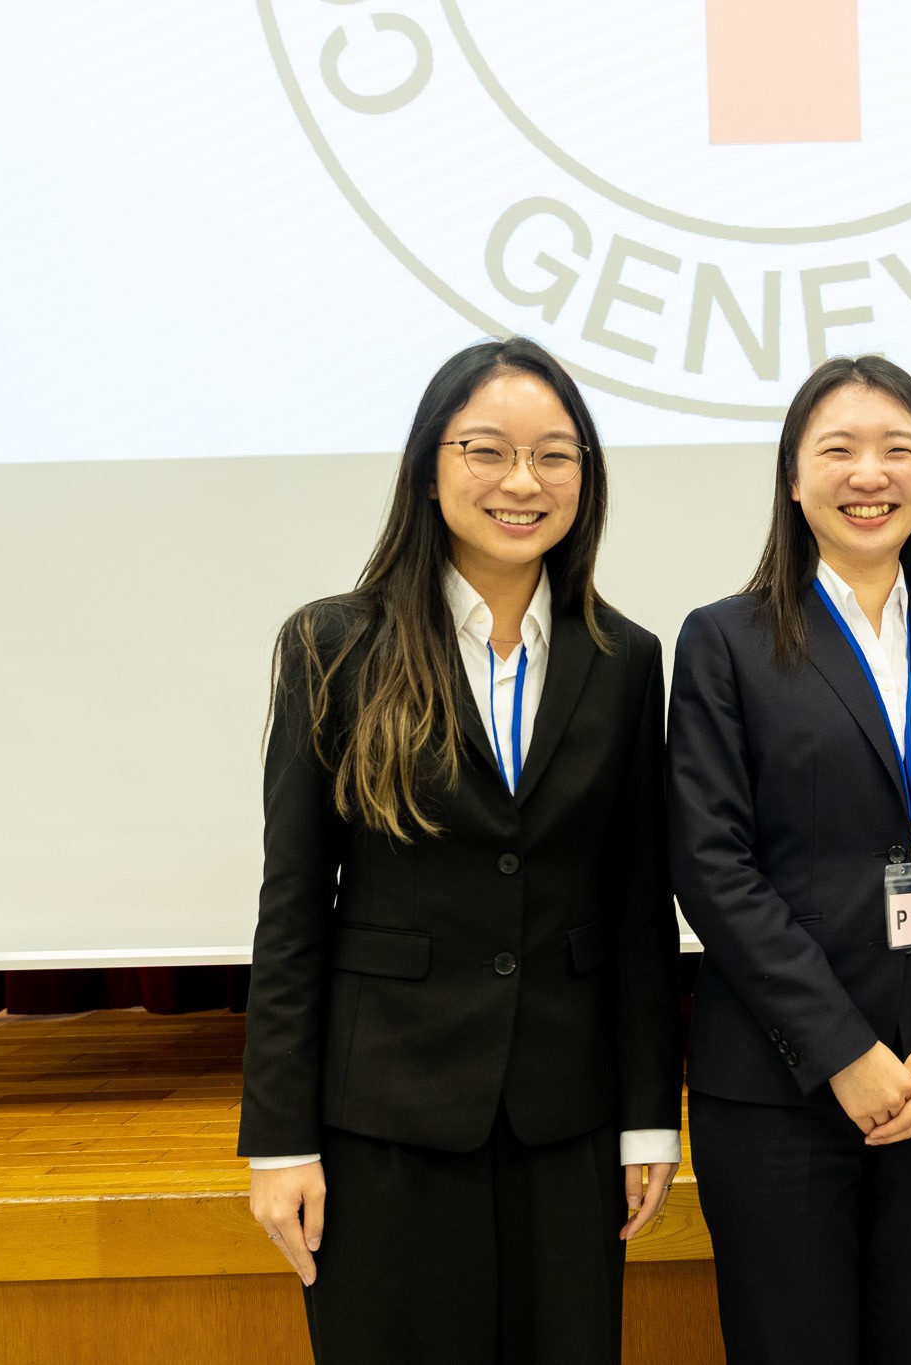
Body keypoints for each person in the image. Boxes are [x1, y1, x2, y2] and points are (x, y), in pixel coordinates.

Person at [240, 337, 681, 1364]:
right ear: (429, 466)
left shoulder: (623, 661)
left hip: (564, 1123)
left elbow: (635, 907)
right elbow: (293, 906)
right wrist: (279, 1138)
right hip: (383, 1116)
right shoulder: (333, 645)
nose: (522, 482)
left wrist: (648, 1121)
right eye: (486, 450)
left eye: (555, 455)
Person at [667, 355, 911, 1365]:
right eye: (837, 450)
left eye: (897, 450)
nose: (868, 474)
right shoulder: (723, 643)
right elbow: (711, 864)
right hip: (780, 1086)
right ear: (792, 479)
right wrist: (842, 1050)